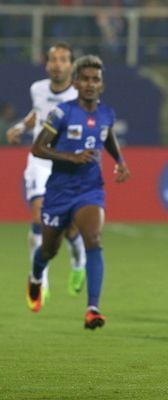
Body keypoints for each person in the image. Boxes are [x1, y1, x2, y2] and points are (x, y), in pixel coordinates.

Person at [26, 55, 130, 330]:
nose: (89, 84)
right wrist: (70, 157)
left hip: (90, 189)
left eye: (95, 79)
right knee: (48, 250)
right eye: (84, 79)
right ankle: (36, 277)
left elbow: (107, 136)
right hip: (59, 191)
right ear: (75, 82)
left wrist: (119, 161)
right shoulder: (62, 113)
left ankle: (92, 308)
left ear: (101, 85)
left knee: (94, 239)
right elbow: (37, 148)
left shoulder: (107, 113)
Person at [4, 42, 87, 303]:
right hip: (40, 161)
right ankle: (40, 280)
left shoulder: (81, 93)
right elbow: (36, 114)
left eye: (63, 59)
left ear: (70, 65)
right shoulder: (37, 89)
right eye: (53, 59)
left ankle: (78, 262)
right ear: (47, 63)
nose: (57, 64)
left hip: (67, 164)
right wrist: (20, 127)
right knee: (39, 217)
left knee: (69, 227)